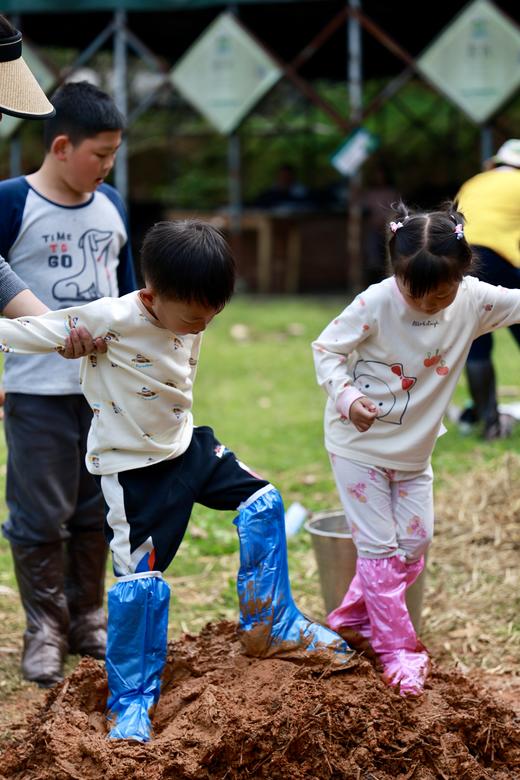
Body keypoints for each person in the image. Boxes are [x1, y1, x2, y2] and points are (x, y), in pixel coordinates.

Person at [0, 218, 353, 739]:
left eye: (212, 317)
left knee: (263, 501)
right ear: (152, 294)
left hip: (189, 449)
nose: (200, 327)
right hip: (132, 473)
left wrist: (195, 321)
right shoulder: (107, 317)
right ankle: (132, 700)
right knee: (139, 584)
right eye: (192, 317)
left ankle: (271, 624)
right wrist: (70, 340)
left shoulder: (192, 310)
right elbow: (24, 331)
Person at [312, 201, 520, 697]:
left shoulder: (475, 301)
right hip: (358, 445)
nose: (427, 303)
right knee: (380, 550)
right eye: (415, 292)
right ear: (396, 272)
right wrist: (347, 397)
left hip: (415, 452)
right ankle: (396, 649)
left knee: (416, 543)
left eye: (440, 294)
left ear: (463, 272)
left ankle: (348, 618)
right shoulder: (375, 303)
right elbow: (326, 349)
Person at [0, 79, 137, 689]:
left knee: (96, 509)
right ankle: (45, 629)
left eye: (114, 155)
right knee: (39, 515)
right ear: (61, 146)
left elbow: (132, 298)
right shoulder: (11, 203)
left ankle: (88, 618)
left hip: (102, 393)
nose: (108, 167)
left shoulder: (114, 207)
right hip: (35, 392)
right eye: (99, 154)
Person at [455, 139, 520, 440]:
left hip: (461, 259)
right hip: (503, 258)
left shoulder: (474, 182)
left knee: (475, 340)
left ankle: (491, 424)